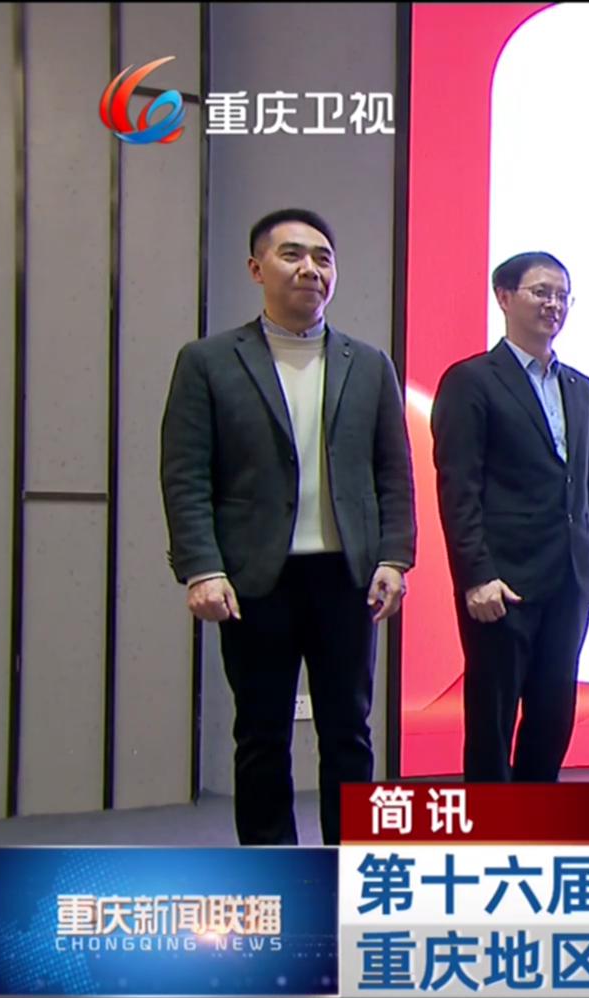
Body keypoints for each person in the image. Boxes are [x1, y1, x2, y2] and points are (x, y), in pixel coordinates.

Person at [160, 208, 414, 845]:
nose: (310, 269)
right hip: (254, 581)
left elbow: (393, 471)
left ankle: (353, 865)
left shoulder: (368, 363)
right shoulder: (209, 361)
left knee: (350, 732)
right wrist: (202, 568)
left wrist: (394, 558)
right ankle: (273, 872)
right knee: (261, 734)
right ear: (257, 269)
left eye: (323, 258)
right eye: (292, 255)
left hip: (346, 577)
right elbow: (186, 473)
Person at [432, 252, 589, 783]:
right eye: (541, 291)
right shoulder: (472, 380)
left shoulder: (580, 387)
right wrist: (476, 575)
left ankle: (534, 819)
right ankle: (490, 827)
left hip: (569, 579)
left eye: (562, 295)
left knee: (553, 716)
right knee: (493, 720)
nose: (554, 304)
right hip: (502, 583)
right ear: (504, 297)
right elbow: (458, 487)